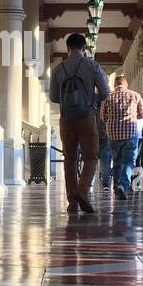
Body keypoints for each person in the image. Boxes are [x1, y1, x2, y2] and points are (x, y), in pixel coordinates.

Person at [49, 33, 110, 213]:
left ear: (68, 48)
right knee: (91, 157)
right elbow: (106, 93)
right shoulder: (92, 66)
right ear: (84, 48)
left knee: (69, 159)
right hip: (87, 117)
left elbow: (53, 97)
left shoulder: (59, 69)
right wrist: (89, 97)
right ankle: (82, 192)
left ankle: (72, 202)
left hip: (66, 119)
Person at [98, 75, 143, 200]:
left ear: (115, 84)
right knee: (129, 161)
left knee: (117, 160)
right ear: (126, 84)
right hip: (130, 133)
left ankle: (116, 186)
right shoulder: (135, 95)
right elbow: (142, 115)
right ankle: (123, 185)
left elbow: (102, 117)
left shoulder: (108, 97)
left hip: (113, 134)